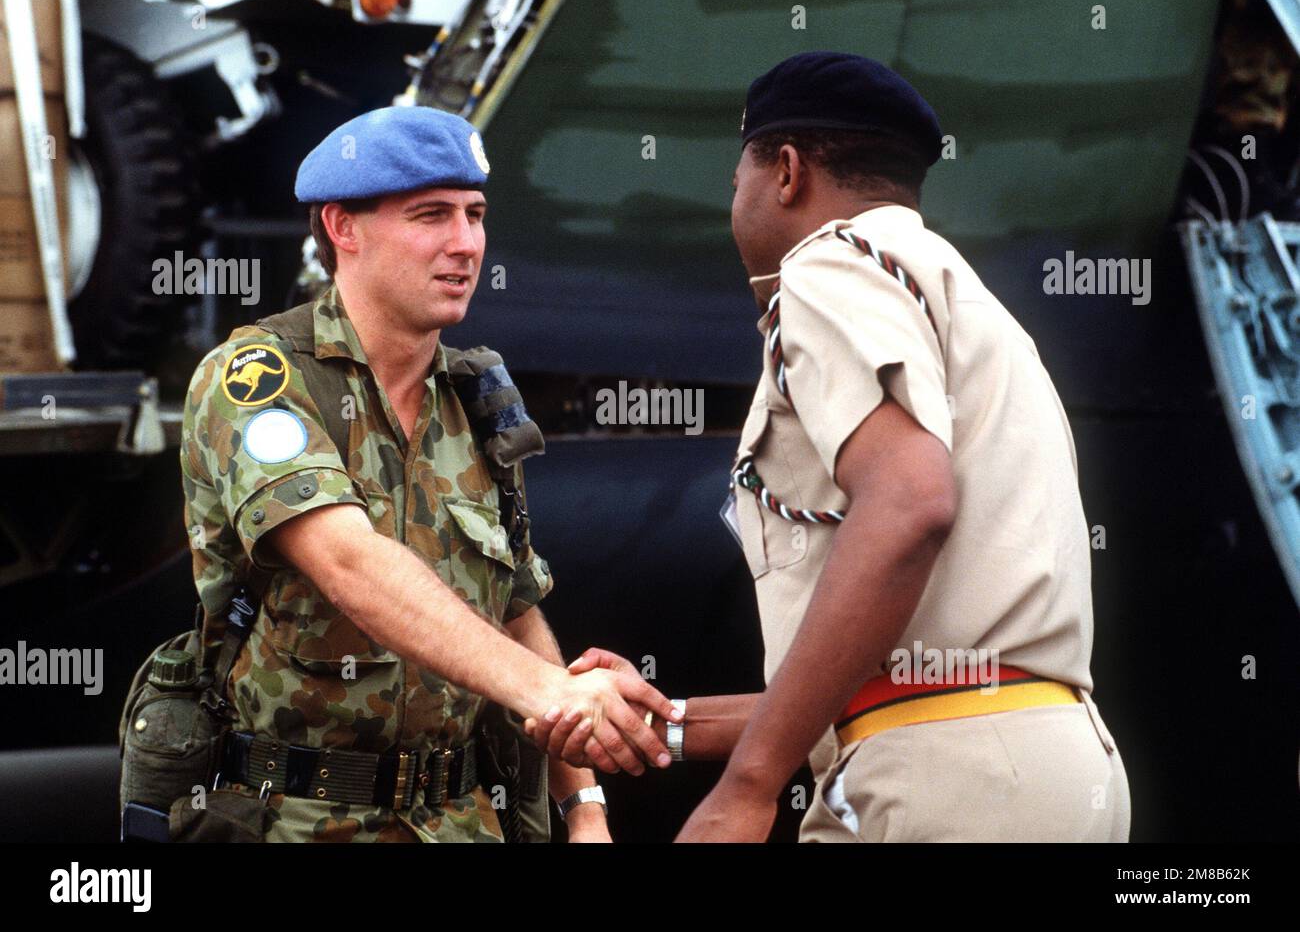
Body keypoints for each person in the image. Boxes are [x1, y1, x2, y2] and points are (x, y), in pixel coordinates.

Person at [526, 52, 1131, 843]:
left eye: (736, 180)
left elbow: (910, 503)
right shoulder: (973, 308)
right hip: (1042, 766)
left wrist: (748, 787)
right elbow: (904, 678)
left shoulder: (828, 265)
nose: (735, 203)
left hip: (940, 778)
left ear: (786, 173)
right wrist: (670, 722)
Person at [181, 105, 679, 842]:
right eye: (431, 216)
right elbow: (348, 562)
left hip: (460, 818)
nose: (465, 243)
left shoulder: (475, 401)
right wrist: (552, 690)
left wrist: (585, 811)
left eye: (475, 215)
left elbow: (513, 607)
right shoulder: (256, 378)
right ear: (343, 228)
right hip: (298, 818)